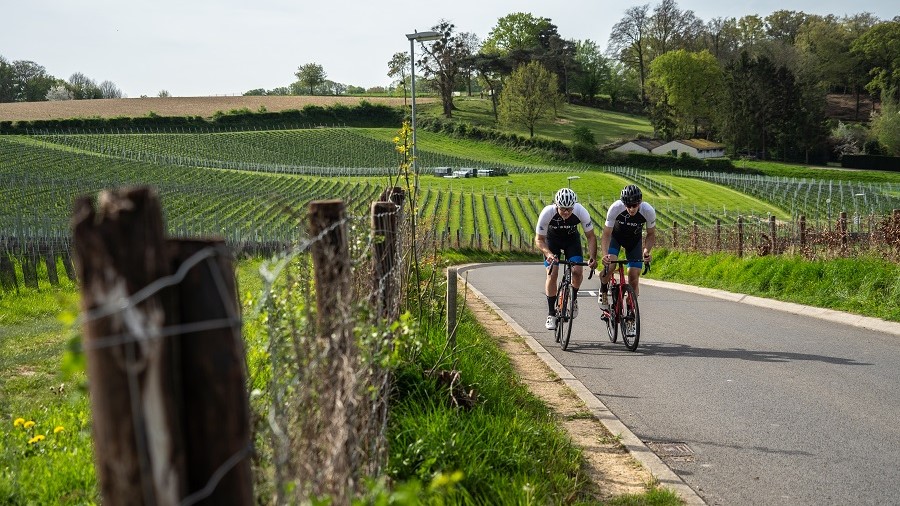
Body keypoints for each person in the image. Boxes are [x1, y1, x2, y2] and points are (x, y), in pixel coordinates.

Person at [535, 187, 598, 330]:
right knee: (553, 273)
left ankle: (573, 298)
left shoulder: (580, 211)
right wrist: (548, 254)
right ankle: (551, 314)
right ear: (556, 205)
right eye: (563, 209)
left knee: (577, 271)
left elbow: (591, 237)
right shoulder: (547, 213)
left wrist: (592, 257)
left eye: (569, 209)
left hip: (571, 241)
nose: (566, 212)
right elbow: (539, 239)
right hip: (552, 242)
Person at [599, 184, 656, 315]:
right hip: (616, 239)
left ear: (640, 202)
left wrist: (647, 250)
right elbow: (606, 234)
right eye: (628, 205)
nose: (631, 209)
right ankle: (603, 290)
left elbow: (651, 234)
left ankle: (631, 312)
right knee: (611, 265)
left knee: (634, 276)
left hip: (634, 242)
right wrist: (605, 254)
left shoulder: (648, 210)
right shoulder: (615, 208)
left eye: (634, 205)